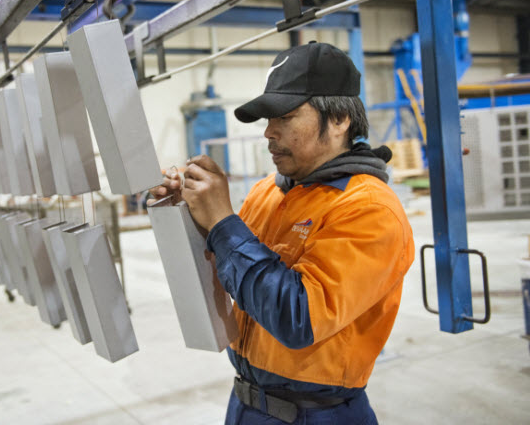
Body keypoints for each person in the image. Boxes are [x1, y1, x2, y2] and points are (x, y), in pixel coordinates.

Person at [150, 41, 414, 424]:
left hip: (318, 415)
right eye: (268, 119)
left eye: (285, 117)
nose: (268, 133)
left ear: (339, 119)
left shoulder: (368, 208)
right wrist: (190, 217)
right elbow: (231, 274)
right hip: (245, 402)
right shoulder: (266, 192)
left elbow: (299, 319)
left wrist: (224, 221)